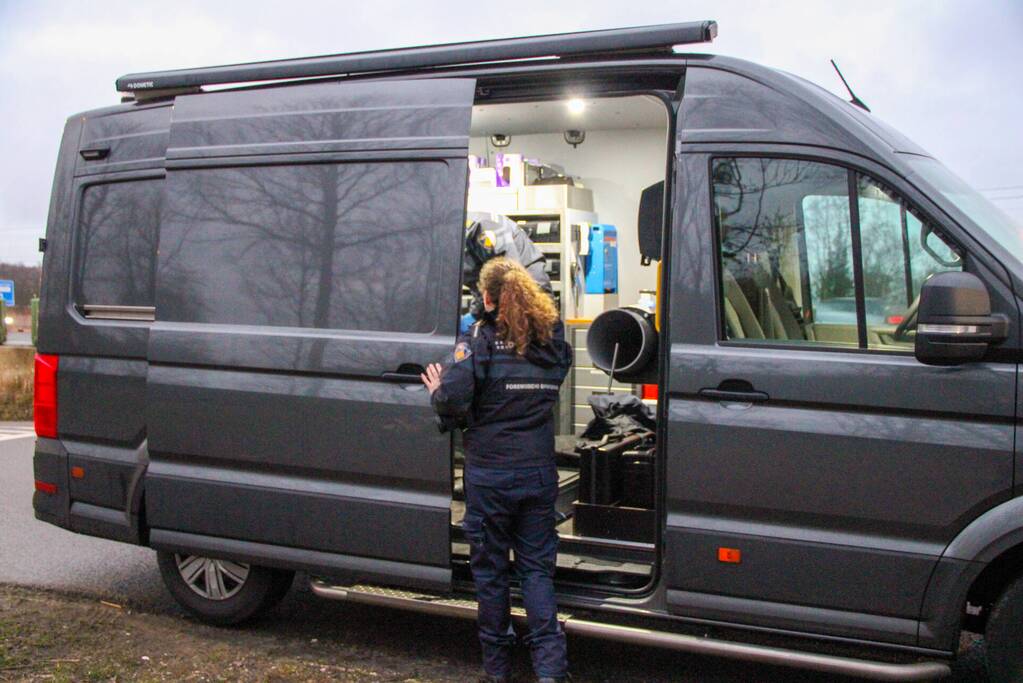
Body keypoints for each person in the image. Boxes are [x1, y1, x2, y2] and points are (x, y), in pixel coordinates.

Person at [422, 257, 572, 683]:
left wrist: (438, 392)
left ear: (486, 299)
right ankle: (551, 671)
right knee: (536, 573)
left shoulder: (479, 343)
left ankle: (499, 672)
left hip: (490, 478)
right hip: (537, 475)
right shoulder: (553, 343)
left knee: (491, 576)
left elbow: (452, 399)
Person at [461, 212, 552, 334]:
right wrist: (475, 314)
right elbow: (480, 285)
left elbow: (510, 278)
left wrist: (479, 316)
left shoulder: (481, 228)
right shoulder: (445, 243)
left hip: (529, 294)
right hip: (502, 300)